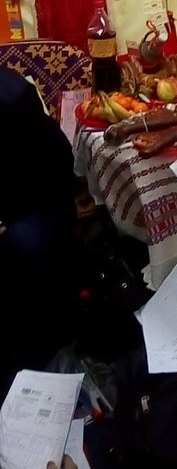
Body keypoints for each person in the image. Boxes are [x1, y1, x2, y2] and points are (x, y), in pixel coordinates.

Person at [0, 67, 81, 398]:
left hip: (30, 204)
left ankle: (39, 364)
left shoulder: (12, 96)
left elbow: (57, 163)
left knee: (28, 248)